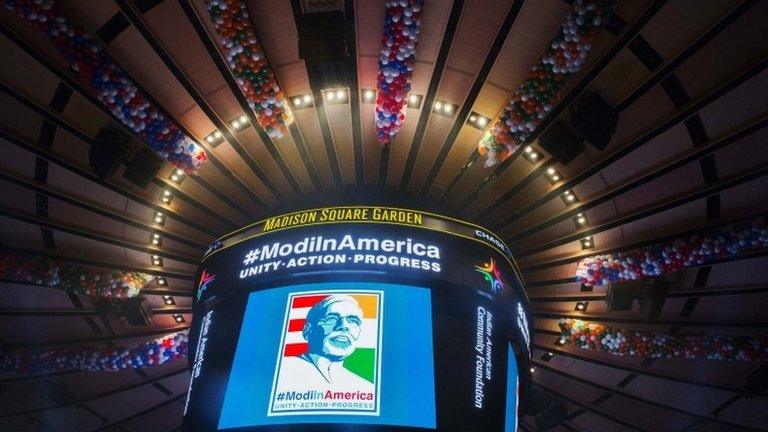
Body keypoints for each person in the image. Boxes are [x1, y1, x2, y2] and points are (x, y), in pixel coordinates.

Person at [278, 295, 372, 387]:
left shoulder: (364, 386)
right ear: (308, 330)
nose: (344, 326)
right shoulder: (282, 369)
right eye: (331, 319)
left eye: (353, 321)